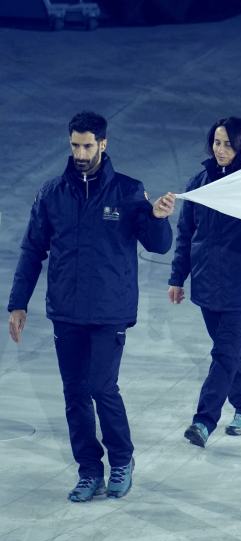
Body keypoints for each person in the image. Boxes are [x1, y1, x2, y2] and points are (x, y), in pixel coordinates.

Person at [7, 111, 174, 502]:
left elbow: (159, 244)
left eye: (87, 146)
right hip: (66, 311)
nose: (80, 154)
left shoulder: (128, 191)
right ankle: (88, 471)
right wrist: (18, 303)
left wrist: (157, 217)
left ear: (103, 144)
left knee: (101, 386)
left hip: (109, 310)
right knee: (75, 393)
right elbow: (32, 250)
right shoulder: (51, 194)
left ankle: (122, 460)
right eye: (75, 146)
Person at [168, 117, 241, 448]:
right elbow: (186, 234)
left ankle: (203, 421)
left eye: (227, 144)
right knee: (232, 351)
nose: (221, 150)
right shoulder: (199, 184)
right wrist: (177, 278)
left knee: (224, 353)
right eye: (217, 142)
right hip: (208, 284)